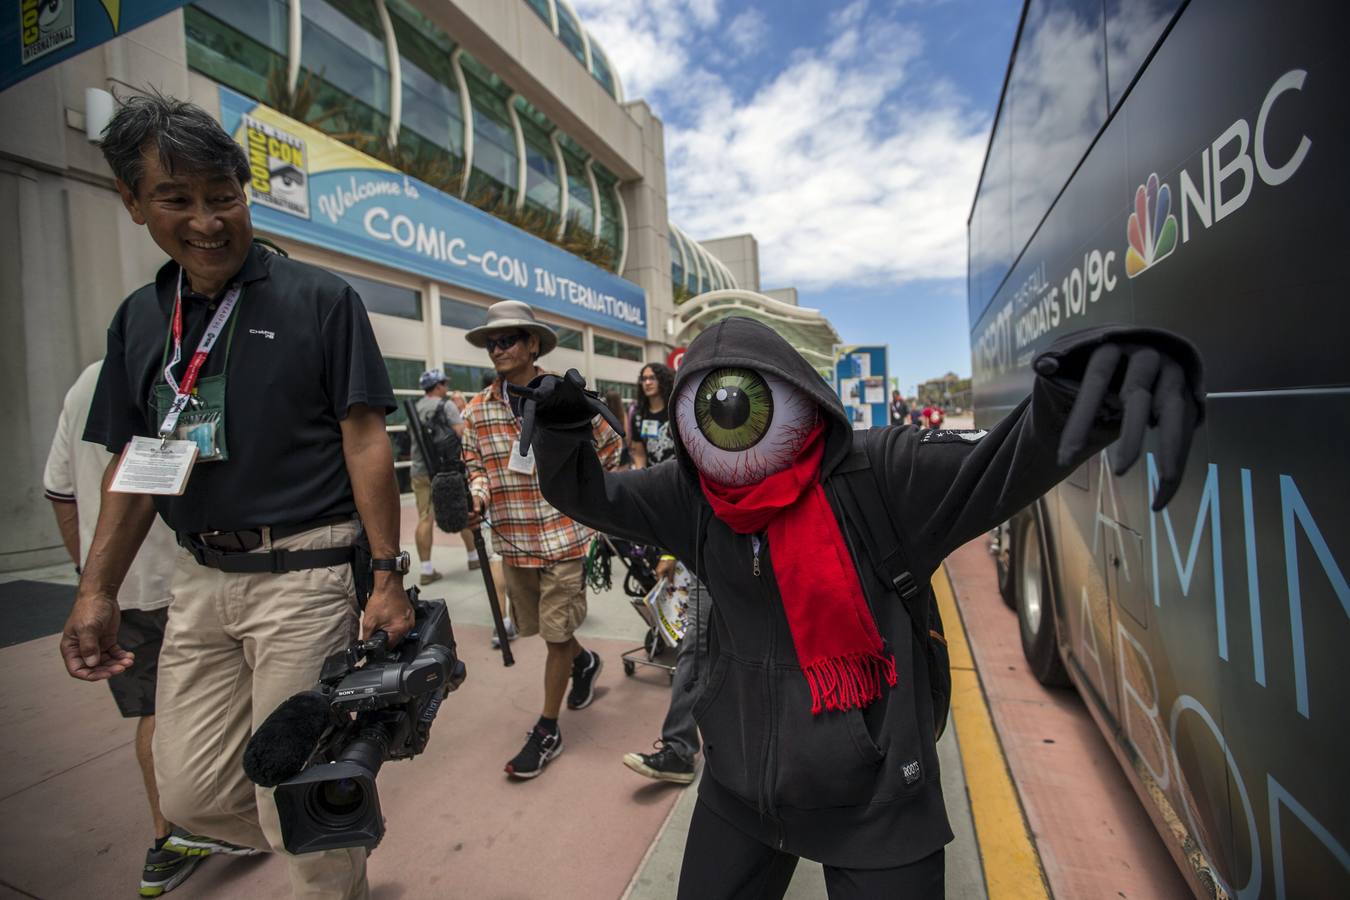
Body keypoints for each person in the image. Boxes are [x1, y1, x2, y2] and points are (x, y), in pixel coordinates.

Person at [518, 317, 1203, 898]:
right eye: (712, 408)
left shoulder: (885, 476)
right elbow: (591, 496)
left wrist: (1086, 388)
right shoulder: (693, 497)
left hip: (878, 804)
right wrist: (561, 430)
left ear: (796, 394)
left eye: (748, 402)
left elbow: (1006, 462)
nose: (730, 423)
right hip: (738, 791)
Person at [62, 92, 412, 900]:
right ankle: (332, 817)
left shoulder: (319, 298)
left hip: (308, 574)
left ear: (244, 190)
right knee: (187, 794)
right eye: (176, 200)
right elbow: (138, 460)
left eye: (223, 197)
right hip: (200, 581)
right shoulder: (139, 323)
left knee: (294, 801)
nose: (209, 222)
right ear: (132, 201)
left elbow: (365, 439)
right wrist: (97, 588)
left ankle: (326, 846)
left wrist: (387, 576)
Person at [45, 360, 260, 896]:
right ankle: (225, 822)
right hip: (189, 574)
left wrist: (94, 579)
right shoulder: (177, 372)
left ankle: (172, 837)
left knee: (156, 710)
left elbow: (60, 492)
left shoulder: (82, 384)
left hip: (129, 589)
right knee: (229, 699)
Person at [460, 300, 621, 779]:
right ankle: (587, 662)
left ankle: (548, 729)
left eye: (508, 339)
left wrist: (586, 498)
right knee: (544, 631)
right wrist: (475, 499)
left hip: (566, 536)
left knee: (553, 637)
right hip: (514, 541)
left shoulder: (566, 398)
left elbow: (609, 450)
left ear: (533, 344)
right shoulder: (475, 413)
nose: (498, 348)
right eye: (492, 341)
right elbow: (476, 471)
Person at [622, 361, 706, 785]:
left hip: (731, 545)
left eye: (652, 377)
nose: (646, 382)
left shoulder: (688, 415)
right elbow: (636, 453)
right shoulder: (640, 414)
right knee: (695, 647)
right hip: (683, 526)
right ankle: (679, 748)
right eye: (644, 378)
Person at [410, 368, 463, 585]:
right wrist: (460, 410)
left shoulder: (415, 407)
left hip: (419, 471)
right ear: (438, 385)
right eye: (444, 383)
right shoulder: (447, 405)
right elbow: (461, 433)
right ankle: (473, 558)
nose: (446, 387)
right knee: (462, 508)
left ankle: (426, 569)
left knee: (425, 518)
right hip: (446, 471)